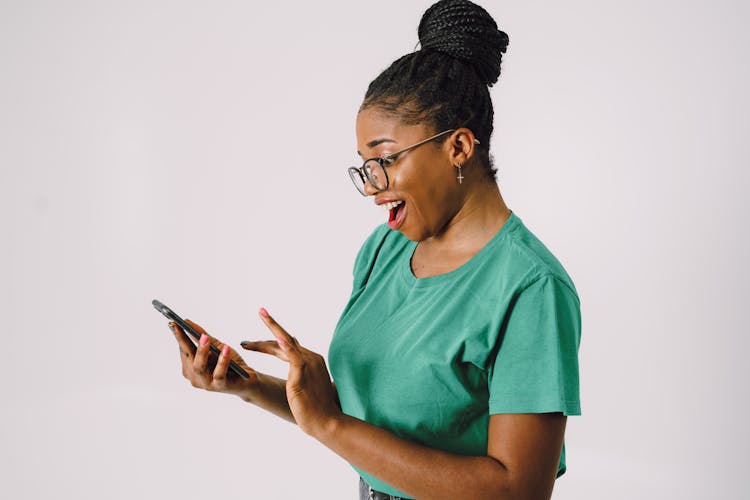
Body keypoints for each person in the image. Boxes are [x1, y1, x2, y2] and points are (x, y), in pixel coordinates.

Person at [166, 1, 581, 498]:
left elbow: (517, 491)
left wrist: (330, 427)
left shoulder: (531, 288)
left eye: (384, 160)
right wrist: (251, 384)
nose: (371, 185)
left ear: (459, 148)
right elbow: (380, 427)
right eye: (364, 167)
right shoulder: (385, 249)